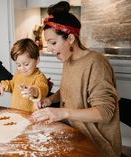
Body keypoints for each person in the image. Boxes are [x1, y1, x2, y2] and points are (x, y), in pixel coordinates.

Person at [31, 1, 121, 157]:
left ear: (70, 38)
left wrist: (62, 113)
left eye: (53, 43)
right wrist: (51, 100)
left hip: (97, 145)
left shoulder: (96, 63)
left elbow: (104, 113)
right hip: (75, 133)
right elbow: (68, 89)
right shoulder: (68, 59)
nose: (50, 49)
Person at [0, 38, 49, 112]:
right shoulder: (18, 75)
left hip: (30, 116)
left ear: (37, 60)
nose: (22, 68)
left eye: (26, 64)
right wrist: (4, 85)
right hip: (15, 112)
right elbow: (12, 85)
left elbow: (43, 88)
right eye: (18, 65)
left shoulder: (39, 77)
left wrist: (33, 91)